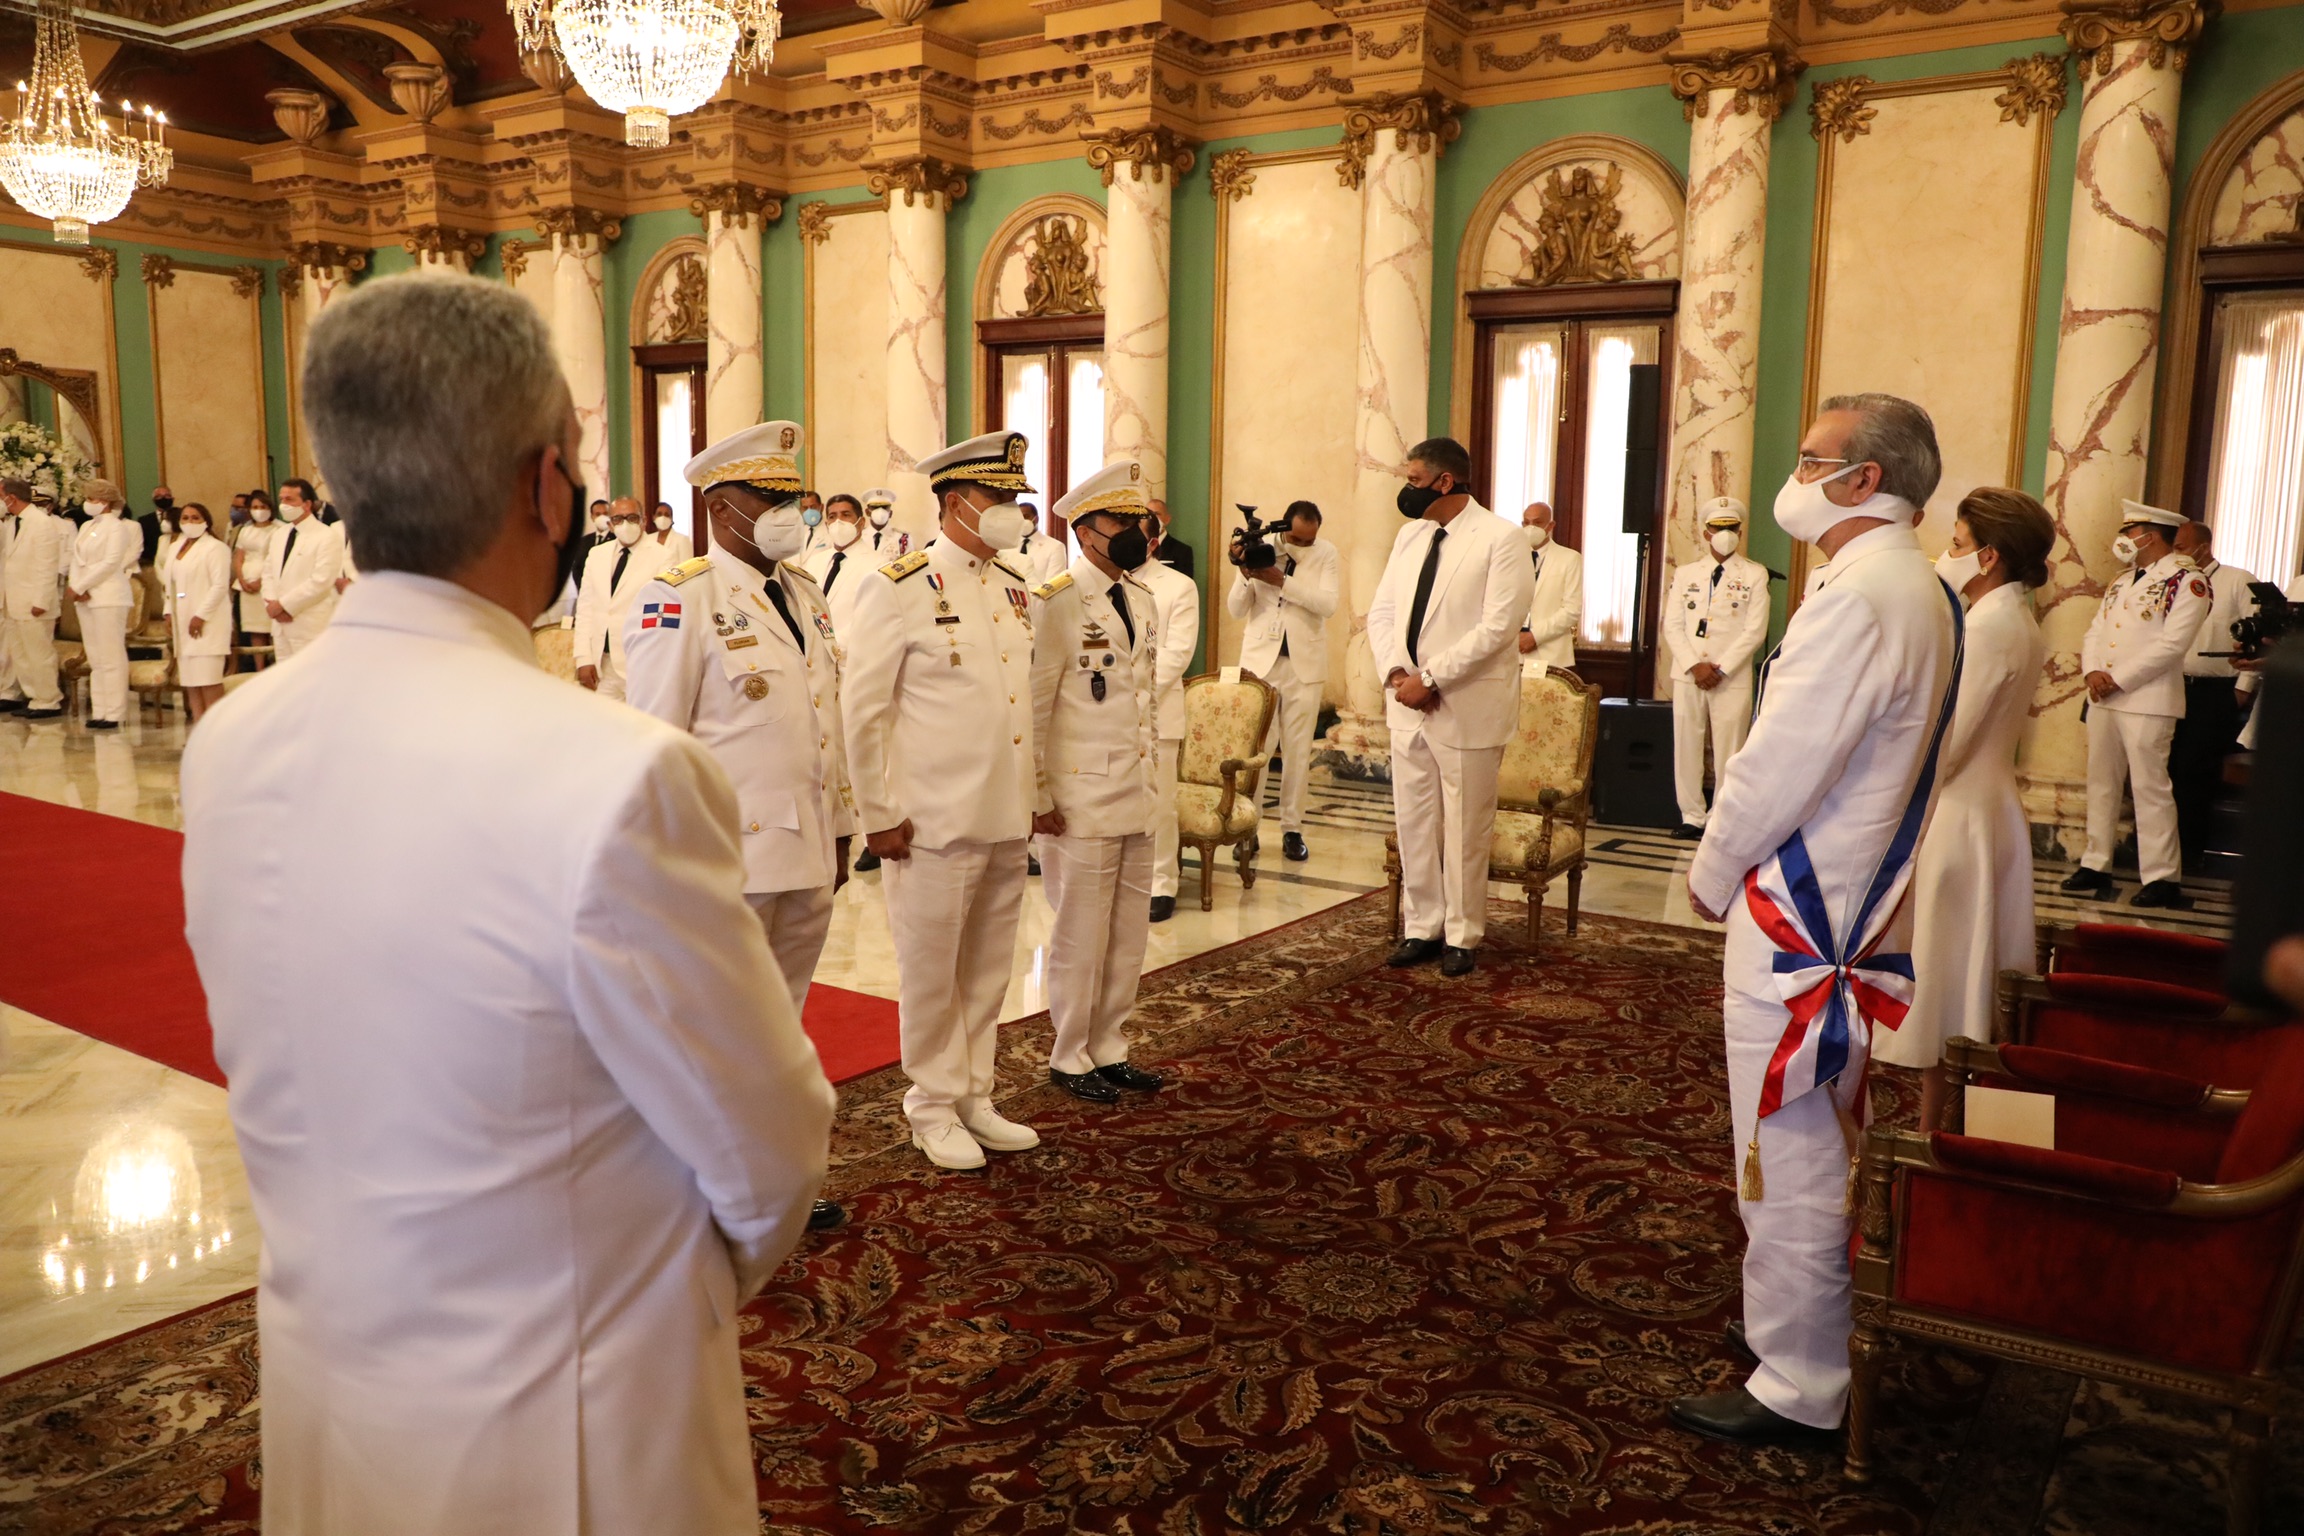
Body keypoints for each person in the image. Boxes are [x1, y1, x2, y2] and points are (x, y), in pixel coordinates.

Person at [180, 272, 835, 1536]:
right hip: (571, 1431)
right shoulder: (617, 774)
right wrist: (654, 1291)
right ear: (548, 486)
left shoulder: (232, 741)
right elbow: (770, 1147)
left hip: (332, 1398)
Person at [1671, 392, 1960, 1445]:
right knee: (1815, 1132)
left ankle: (1798, 1381)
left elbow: (1779, 764)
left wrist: (1711, 869)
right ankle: (1798, 1326)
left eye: (1809, 458)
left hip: (1803, 916)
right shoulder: (1913, 584)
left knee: (1784, 1146)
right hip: (1850, 903)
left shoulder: (1863, 596)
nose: (1793, 478)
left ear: (1862, 479)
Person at [624, 421, 853, 1235]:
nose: (793, 512)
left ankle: (769, 1176)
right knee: (713, 1034)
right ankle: (698, 1185)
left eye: (794, 496)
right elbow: (655, 744)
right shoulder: (678, 596)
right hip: (727, 860)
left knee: (778, 1030)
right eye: (771, 498)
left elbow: (825, 724)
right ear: (722, 508)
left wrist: (842, 829)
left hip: (806, 846)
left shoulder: (806, 592)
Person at [841, 430, 1043, 1171]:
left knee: (988, 971)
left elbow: (1021, 704)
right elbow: (862, 711)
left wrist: (1033, 800)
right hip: (930, 820)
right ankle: (930, 1104)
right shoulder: (896, 586)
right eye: (998, 496)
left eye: (1017, 497)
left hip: (1002, 814)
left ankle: (974, 1094)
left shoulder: (1014, 584)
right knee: (932, 974)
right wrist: (877, 816)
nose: (1012, 509)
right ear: (956, 502)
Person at [1887, 488, 2054, 1129]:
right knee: (1963, 971)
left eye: (1956, 543)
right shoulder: (2009, 617)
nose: (1944, 554)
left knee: (1948, 976)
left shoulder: (1989, 626)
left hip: (1959, 816)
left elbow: (1949, 744)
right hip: (1985, 808)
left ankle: (1937, 1127)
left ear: (1988, 557)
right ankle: (1945, 1120)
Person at [1367, 440, 1535, 975]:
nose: (1406, 489)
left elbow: (1498, 627)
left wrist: (1431, 677)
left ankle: (1463, 933)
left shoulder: (1501, 537)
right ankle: (1422, 926)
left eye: (1414, 479)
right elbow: (1383, 612)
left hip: (1465, 701)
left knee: (1466, 826)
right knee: (1414, 820)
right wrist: (1397, 673)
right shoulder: (1410, 536)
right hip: (1407, 701)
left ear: (1445, 481)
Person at [1031, 461, 1167, 1106]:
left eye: (1139, 520)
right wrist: (1036, 794)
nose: (1135, 532)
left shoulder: (1142, 597)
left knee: (1128, 931)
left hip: (1137, 791)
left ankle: (1110, 1044)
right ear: (1086, 531)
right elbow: (1035, 706)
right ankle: (1069, 1053)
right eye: (1120, 521)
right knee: (1080, 932)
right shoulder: (1056, 600)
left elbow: (1143, 699)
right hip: (1079, 797)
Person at [2062, 500, 2212, 909]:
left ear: (2152, 536)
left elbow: (2173, 644)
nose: (2123, 539)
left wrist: (2119, 679)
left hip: (2147, 699)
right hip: (2104, 697)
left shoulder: (2186, 581)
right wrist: (2092, 671)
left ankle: (2162, 876)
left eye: (2130, 532)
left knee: (2150, 788)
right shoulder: (2121, 580)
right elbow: (2096, 630)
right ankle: (2096, 863)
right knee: (2101, 782)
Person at [1225, 499, 1339, 862]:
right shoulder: (1259, 548)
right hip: (1261, 665)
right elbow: (1236, 609)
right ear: (1283, 528)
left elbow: (1328, 604)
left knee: (1297, 752)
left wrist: (1283, 582)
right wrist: (1245, 574)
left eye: (1309, 540)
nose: (1303, 545)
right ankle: (1249, 827)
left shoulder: (1327, 554)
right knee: (1256, 751)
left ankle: (1292, 828)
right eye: (1297, 539)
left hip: (1305, 667)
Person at [1663, 500, 1771, 840]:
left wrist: (1720, 669)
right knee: (1687, 744)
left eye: (1731, 528)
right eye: (1718, 528)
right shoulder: (1686, 574)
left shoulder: (1754, 574)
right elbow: (1672, 626)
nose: (1725, 534)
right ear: (1705, 532)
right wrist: (1695, 665)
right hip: (1689, 673)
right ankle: (1691, 815)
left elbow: (1755, 631)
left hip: (1731, 677)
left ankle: (1721, 817)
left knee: (1730, 749)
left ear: (1740, 531)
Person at [2170, 518, 2259, 864]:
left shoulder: (2237, 580)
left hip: (2215, 691)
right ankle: (2166, 849)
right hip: (2173, 686)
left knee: (2197, 772)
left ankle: (2191, 851)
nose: (2176, 554)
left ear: (2203, 547)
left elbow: (2257, 638)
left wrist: (2243, 689)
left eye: (2180, 547)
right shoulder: (2173, 582)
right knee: (2168, 768)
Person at [1137, 502, 1199, 920]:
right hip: (1103, 712)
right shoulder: (1099, 582)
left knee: (1160, 801)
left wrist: (1134, 694)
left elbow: (1176, 654)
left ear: (1153, 542)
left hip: (1158, 710)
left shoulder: (1178, 586)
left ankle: (1161, 883)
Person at [572, 496, 678, 700]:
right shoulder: (596, 554)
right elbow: (585, 608)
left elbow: (666, 615)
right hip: (602, 664)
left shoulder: (663, 556)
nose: (625, 524)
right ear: (610, 525)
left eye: (632, 518)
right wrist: (583, 657)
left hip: (642, 663)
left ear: (643, 521)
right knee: (603, 720)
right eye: (618, 519)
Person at [66, 478, 143, 730]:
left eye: (93, 499)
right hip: (86, 597)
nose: (88, 503)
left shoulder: (117, 527)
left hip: (109, 595)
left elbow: (111, 562)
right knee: (95, 657)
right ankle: (100, 710)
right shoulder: (87, 525)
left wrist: (81, 586)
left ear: (107, 501)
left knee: (111, 655)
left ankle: (115, 712)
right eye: (87, 498)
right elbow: (77, 559)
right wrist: (77, 585)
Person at [1, 475, 72, 718]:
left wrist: (41, 600)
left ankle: (48, 700)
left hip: (34, 602)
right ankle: (34, 697)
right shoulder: (14, 522)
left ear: (11, 497)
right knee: (21, 654)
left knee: (39, 654)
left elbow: (46, 565)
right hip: (13, 601)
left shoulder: (41, 523)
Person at [261, 478, 348, 661]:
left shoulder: (326, 535)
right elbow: (268, 572)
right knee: (285, 676)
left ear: (307, 504)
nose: (284, 504)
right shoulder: (279, 534)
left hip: (308, 624)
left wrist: (285, 605)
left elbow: (321, 581)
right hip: (280, 626)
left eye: (289, 499)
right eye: (281, 499)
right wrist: (271, 604)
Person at [163, 501, 234, 724]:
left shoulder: (215, 548)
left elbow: (220, 586)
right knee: (191, 681)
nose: (190, 522)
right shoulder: (175, 547)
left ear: (206, 521)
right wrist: (169, 612)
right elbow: (171, 584)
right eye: (185, 518)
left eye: (195, 517)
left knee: (208, 679)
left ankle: (216, 729)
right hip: (182, 621)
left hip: (207, 622)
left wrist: (200, 615)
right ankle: (199, 726)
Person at [1516, 501, 1583, 672]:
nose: (1531, 527)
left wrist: (1535, 636)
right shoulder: (1511, 558)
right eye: (1526, 522)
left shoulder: (1569, 558)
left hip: (1550, 653)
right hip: (1513, 653)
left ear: (1550, 525)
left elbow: (1571, 610)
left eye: (1537, 522)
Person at [232, 491, 279, 658]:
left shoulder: (278, 529)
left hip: (268, 582)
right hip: (246, 583)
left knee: (271, 627)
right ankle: (259, 668)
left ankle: (275, 664)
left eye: (262, 507)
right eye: (255, 507)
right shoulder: (245, 531)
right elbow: (239, 557)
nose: (259, 510)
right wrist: (241, 579)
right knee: (254, 629)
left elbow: (275, 558)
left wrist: (262, 581)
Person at [800, 492, 868, 608]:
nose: (838, 521)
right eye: (832, 516)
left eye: (845, 515)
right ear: (827, 524)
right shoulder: (814, 562)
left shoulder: (877, 564)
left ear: (861, 523)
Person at [1015, 500, 1068, 584]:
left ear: (1036, 519)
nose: (1022, 520)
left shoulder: (1055, 547)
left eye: (1026, 516)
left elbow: (1052, 584)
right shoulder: (1008, 546)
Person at [1147, 498, 1194, 579]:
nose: (1152, 518)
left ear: (1167, 519)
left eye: (1156, 514)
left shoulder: (1182, 551)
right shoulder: (1135, 547)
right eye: (1148, 514)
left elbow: (1184, 581)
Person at [862, 487, 909, 559]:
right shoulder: (859, 537)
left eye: (884, 507)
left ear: (890, 513)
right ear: (867, 512)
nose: (880, 511)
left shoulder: (903, 539)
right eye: (875, 507)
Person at [139, 485, 175, 565]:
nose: (163, 498)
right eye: (159, 496)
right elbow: (143, 544)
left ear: (172, 498)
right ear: (153, 500)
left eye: (167, 495)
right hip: (152, 562)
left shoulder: (181, 516)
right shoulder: (144, 521)